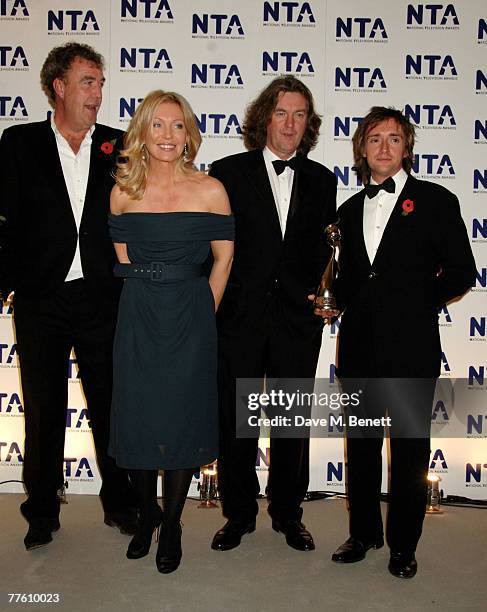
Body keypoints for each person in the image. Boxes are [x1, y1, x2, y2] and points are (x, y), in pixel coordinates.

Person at [328, 106, 476, 578]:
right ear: (362, 148)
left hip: (412, 348)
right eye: (375, 139)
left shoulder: (436, 200)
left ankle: (403, 545)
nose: (384, 148)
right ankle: (364, 532)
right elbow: (348, 280)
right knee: (363, 445)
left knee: (410, 449)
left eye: (394, 138)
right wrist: (327, 298)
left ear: (406, 146)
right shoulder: (348, 211)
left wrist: (416, 302)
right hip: (358, 348)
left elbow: (460, 271)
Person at [0, 43, 136, 550]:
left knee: (110, 405)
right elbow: (3, 221)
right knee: (42, 406)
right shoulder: (19, 143)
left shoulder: (119, 145)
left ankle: (119, 502)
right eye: (87, 82)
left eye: (100, 83)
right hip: (42, 298)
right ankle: (40, 510)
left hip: (103, 297)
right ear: (58, 86)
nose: (97, 93)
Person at [209, 76, 337, 552]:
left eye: (300, 114)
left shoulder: (324, 180)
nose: (290, 123)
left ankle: (288, 513)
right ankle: (238, 514)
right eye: (282, 113)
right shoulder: (228, 171)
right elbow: (211, 246)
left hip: (296, 322)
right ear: (265, 118)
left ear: (309, 124)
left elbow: (330, 254)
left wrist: (329, 296)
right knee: (235, 420)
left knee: (290, 422)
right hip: (239, 318)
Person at [108, 90, 234, 574]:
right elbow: (124, 261)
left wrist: (205, 307)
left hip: (190, 315)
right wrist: (146, 290)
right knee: (139, 415)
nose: (166, 135)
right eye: (156, 125)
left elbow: (223, 258)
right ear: (142, 132)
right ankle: (147, 519)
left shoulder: (210, 190)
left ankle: (175, 522)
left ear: (189, 135)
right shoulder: (123, 191)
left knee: (182, 418)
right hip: (138, 314)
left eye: (176, 126)